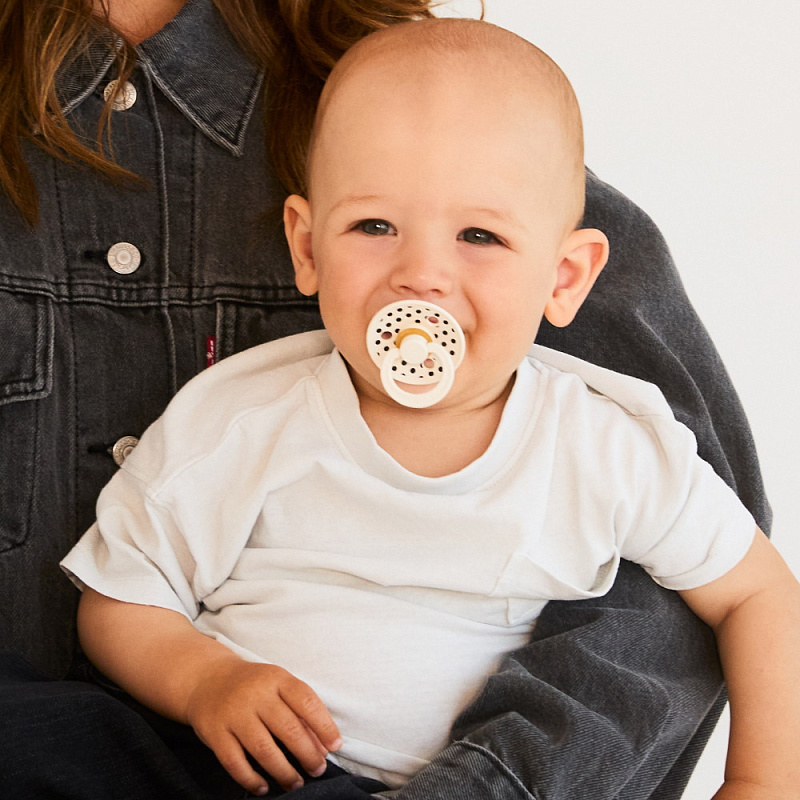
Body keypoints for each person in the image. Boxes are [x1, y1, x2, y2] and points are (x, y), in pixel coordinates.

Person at [0, 1, 773, 799]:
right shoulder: (246, 413)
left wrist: (763, 779)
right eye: (374, 226)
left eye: (479, 237)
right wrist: (205, 680)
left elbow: (757, 593)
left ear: (565, 276)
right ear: (306, 247)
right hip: (221, 762)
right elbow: (122, 596)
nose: (422, 275)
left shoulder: (606, 447)